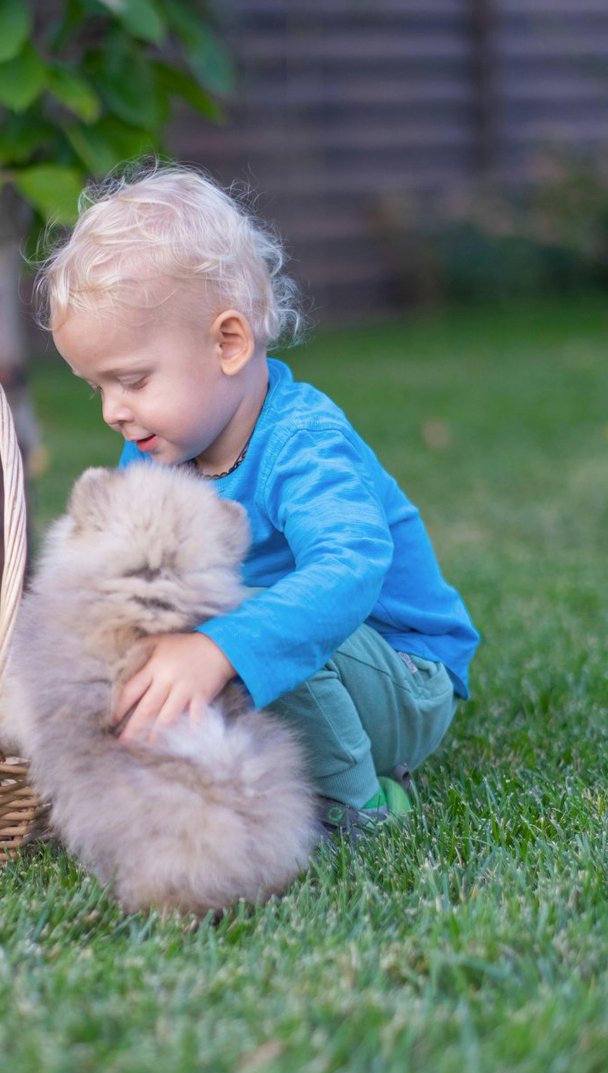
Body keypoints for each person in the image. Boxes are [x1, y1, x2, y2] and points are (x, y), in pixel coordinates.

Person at [33, 163, 479, 835]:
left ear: (229, 342)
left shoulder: (304, 443)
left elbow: (350, 571)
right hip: (269, 648)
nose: (112, 412)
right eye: (96, 388)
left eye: (130, 379)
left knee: (254, 627)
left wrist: (219, 649)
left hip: (400, 677)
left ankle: (359, 806)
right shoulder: (160, 447)